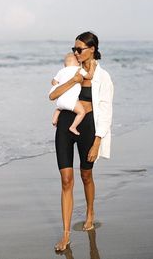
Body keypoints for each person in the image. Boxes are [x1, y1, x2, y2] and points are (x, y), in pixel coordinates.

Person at [49, 31, 114, 252]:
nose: (75, 53)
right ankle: (66, 234)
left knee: (86, 175)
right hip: (66, 126)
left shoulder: (103, 76)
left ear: (92, 49)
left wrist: (98, 141)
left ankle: (90, 212)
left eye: (80, 49)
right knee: (66, 180)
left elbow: (105, 110)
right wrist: (73, 80)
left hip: (88, 128)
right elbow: (53, 95)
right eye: (74, 49)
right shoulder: (70, 70)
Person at [51, 52, 94, 135]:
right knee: (81, 112)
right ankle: (73, 127)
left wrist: (58, 86)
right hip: (71, 101)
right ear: (78, 63)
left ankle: (54, 119)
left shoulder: (61, 71)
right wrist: (92, 65)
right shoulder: (78, 70)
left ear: (65, 64)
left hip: (60, 101)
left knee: (59, 108)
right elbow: (89, 76)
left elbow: (53, 82)